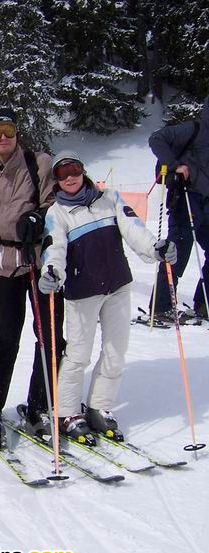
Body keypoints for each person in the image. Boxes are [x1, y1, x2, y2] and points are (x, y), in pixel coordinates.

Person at [39, 151, 176, 443]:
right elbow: (55, 248)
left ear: (83, 169)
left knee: (116, 352)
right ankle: (68, 413)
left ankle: (100, 407)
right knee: (78, 354)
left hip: (117, 285)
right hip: (82, 291)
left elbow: (134, 229)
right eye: (62, 174)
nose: (70, 177)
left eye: (74, 169)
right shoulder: (56, 213)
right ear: (56, 180)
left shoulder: (109, 198)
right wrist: (51, 272)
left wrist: (156, 248)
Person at [0, 108, 63, 447]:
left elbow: (60, 199)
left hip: (38, 257)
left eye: (8, 130)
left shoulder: (40, 163)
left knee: (49, 335)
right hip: (3, 260)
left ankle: (41, 405)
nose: (3, 138)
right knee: (7, 336)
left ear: (17, 133)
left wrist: (39, 217)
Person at [148, 96, 209, 321]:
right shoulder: (195, 129)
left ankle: (204, 304)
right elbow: (156, 138)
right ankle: (161, 306)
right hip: (186, 197)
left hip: (206, 200)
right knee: (177, 251)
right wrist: (174, 166)